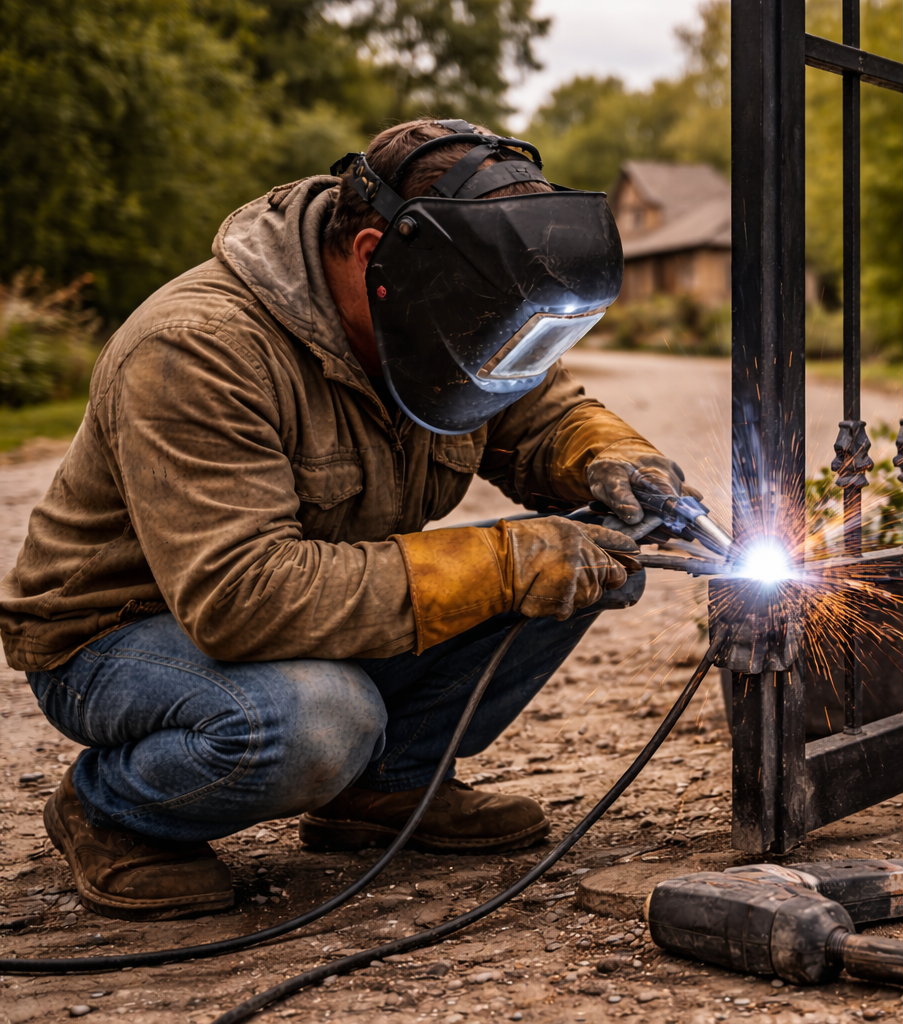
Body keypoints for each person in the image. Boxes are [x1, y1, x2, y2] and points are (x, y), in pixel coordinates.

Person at [0, 119, 696, 921]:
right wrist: (504, 561)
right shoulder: (197, 347)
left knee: (592, 550)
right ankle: (111, 811)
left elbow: (538, 411)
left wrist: (612, 460)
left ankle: (385, 786)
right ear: (372, 253)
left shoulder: (436, 313)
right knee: (322, 717)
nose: (496, 345)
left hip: (308, 610)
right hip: (121, 634)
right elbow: (240, 598)